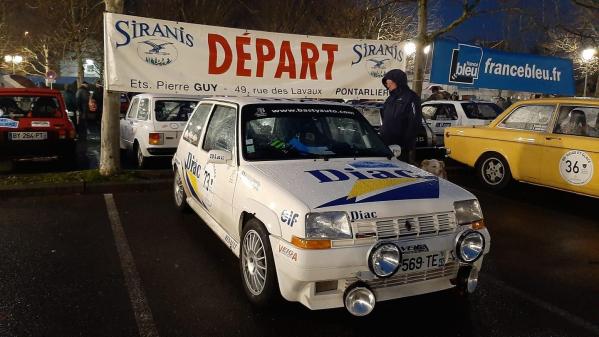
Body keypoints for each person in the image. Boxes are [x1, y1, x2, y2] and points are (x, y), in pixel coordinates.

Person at [380, 69, 422, 163]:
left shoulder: (411, 97)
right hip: (386, 145)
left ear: (396, 81)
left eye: (389, 81)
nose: (387, 84)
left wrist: (405, 144)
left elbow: (415, 121)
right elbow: (384, 118)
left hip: (401, 148)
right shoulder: (389, 99)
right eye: (386, 82)